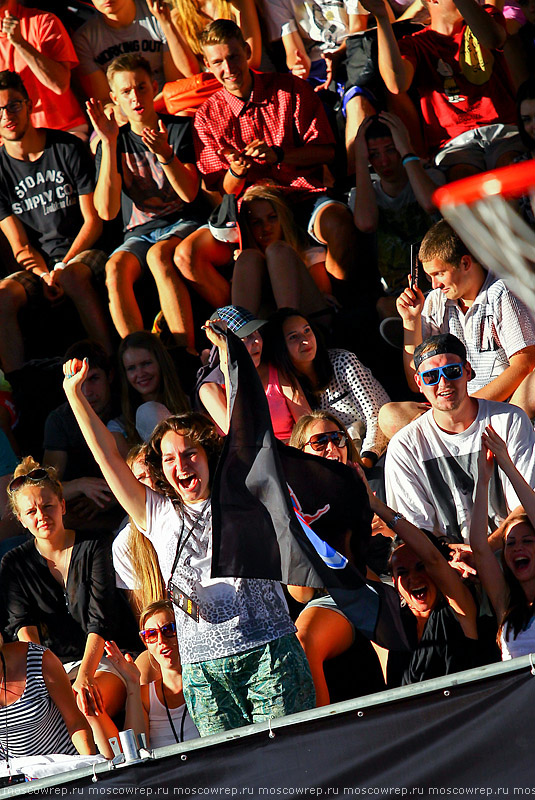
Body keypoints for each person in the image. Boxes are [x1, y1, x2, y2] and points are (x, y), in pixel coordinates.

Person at [62, 355, 316, 737]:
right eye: (168, 458)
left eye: (190, 454)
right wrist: (76, 397)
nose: (180, 465)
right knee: (231, 778)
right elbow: (107, 457)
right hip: (204, 670)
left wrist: (230, 353)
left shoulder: (246, 493)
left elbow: (250, 424)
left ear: (209, 456)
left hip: (269, 652)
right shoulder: (157, 514)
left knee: (291, 764)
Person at [187, 19, 363, 296]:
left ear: (246, 51)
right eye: (218, 61)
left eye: (233, 56)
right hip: (254, 212)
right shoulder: (207, 116)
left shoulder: (288, 88)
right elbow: (220, 189)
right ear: (207, 65)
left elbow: (326, 150)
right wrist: (236, 172)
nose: (228, 68)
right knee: (189, 253)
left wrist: (280, 155)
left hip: (303, 195)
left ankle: (341, 305)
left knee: (339, 222)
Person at [0, 458, 139, 757]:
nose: (41, 515)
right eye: (31, 511)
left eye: (47, 506)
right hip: (52, 669)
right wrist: (46, 682)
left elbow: (100, 621)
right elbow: (24, 631)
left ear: (62, 505)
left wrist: (85, 674)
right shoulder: (14, 563)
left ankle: (120, 773)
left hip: (103, 659)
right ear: (21, 520)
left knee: (87, 699)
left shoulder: (95, 546)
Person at [0, 70, 112, 376]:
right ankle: (18, 389)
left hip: (83, 252)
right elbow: (20, 245)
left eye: (13, 105)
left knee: (74, 277)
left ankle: (108, 368)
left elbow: (93, 221)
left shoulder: (65, 147)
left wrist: (61, 268)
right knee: (3, 295)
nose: (7, 116)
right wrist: (44, 274)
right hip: (38, 268)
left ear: (29, 103)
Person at [87, 54, 204, 344]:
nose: (135, 96)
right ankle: (139, 355)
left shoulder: (178, 129)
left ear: (154, 87)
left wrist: (166, 155)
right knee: (113, 269)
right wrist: (109, 142)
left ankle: (184, 351)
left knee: (159, 255)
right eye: (126, 91)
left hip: (182, 223)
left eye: (141, 87)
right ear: (115, 98)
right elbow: (106, 211)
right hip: (139, 233)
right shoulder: (113, 140)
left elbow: (189, 194)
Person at [382, 220, 535, 438]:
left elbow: (524, 364)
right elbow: (417, 382)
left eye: (439, 274)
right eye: (428, 276)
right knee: (389, 415)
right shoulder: (435, 301)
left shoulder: (503, 292)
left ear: (465, 263)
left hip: (503, 408)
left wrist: (470, 408)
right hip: (453, 408)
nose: (434, 284)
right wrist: (410, 321)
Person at [384, 333, 535, 544]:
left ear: (467, 371)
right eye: (431, 376)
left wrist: (482, 554)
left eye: (452, 371)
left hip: (508, 554)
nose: (443, 382)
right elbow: (417, 529)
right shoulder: (404, 446)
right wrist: (454, 558)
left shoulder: (509, 420)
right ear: (418, 382)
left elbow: (524, 508)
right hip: (446, 565)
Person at [359, 0, 523, 178]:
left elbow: (493, 39)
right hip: (455, 143)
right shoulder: (416, 44)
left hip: (504, 131)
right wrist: (382, 18)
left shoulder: (487, 17)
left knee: (510, 168)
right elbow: (396, 84)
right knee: (462, 177)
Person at [288, 411, 368, 706]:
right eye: (320, 442)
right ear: (301, 453)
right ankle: (323, 734)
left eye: (338, 439)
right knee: (303, 639)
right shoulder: (294, 512)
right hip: (336, 599)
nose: (332, 448)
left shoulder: (368, 487)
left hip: (383, 588)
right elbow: (301, 593)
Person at [265, 309, 390, 468]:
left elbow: (374, 417)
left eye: (307, 330)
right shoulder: (290, 388)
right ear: (280, 346)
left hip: (377, 449)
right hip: (340, 457)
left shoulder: (342, 362)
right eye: (293, 337)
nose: (305, 340)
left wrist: (365, 462)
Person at [352, 112, 443, 313]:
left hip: (440, 286)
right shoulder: (363, 195)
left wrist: (407, 151)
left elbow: (430, 203)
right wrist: (359, 160)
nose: (383, 161)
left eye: (391, 150)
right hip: (398, 296)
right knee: (384, 308)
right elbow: (366, 223)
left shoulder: (430, 178)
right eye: (374, 154)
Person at [198, 306, 311, 441]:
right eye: (246, 337)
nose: (256, 341)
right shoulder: (210, 389)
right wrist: (227, 360)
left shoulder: (277, 372)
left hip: (292, 454)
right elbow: (238, 435)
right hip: (253, 459)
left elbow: (308, 426)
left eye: (256, 332)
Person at [470, 426, 535, 660]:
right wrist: (483, 480)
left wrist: (506, 463)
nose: (518, 547)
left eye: (528, 540)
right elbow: (479, 547)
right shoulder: (505, 602)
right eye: (510, 543)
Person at [73, 0, 197, 121]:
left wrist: (146, 108)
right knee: (98, 140)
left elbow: (179, 80)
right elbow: (104, 100)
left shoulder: (159, 14)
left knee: (185, 116)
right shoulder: (85, 38)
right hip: (126, 113)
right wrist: (117, 112)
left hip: (167, 102)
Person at [43, 341, 120, 533]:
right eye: (80, 382)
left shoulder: (126, 407)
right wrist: (81, 485)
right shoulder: (60, 420)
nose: (87, 392)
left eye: (93, 379)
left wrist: (110, 499)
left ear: (109, 376)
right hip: (81, 512)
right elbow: (46, 489)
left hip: (126, 500)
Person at [104, 601, 199, 748]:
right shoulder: (145, 697)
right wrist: (133, 684)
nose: (161, 640)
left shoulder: (205, 682)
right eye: (151, 634)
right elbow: (137, 749)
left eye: (169, 629)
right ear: (145, 642)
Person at [232, 185, 331, 320]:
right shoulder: (247, 261)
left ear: (283, 218)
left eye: (272, 217)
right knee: (249, 257)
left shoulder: (309, 253)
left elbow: (324, 296)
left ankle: (289, 322)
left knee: (278, 251)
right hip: (264, 326)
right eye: (256, 222)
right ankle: (241, 333)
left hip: (311, 321)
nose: (266, 227)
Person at [0, 0, 87, 137]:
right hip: (11, 142)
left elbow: (60, 85)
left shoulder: (44, 21)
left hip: (64, 132)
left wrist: (20, 43)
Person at [0, 635, 96, 759]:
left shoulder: (38, 659)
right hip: (15, 772)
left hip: (64, 763)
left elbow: (75, 723)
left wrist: (90, 764)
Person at [109, 331, 189, 457]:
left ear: (161, 363)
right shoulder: (119, 427)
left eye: (146, 364)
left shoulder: (191, 404)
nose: (140, 373)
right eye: (131, 368)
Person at [112, 444, 165, 617]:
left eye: (156, 473)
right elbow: (145, 616)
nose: (151, 483)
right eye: (141, 478)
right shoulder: (124, 545)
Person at [169, 0, 262, 70]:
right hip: (212, 87)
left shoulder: (235, 3)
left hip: (251, 79)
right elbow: (191, 72)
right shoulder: (177, 17)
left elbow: (252, 60)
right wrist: (166, 24)